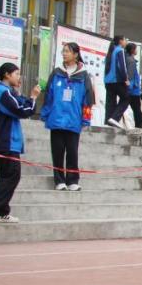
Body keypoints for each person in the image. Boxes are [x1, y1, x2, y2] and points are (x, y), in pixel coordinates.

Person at [0, 63, 40, 223]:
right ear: (7, 75)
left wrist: (25, 97)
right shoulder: (3, 92)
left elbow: (20, 102)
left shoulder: (8, 92)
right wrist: (33, 98)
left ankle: (2, 210)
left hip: (8, 141)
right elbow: (21, 110)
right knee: (12, 175)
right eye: (16, 74)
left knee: (6, 175)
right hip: (4, 141)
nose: (19, 77)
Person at [40, 42, 94, 191]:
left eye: (67, 51)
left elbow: (88, 99)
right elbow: (49, 95)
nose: (64, 54)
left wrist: (86, 118)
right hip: (57, 118)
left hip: (73, 119)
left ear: (76, 55)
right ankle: (59, 180)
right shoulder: (56, 73)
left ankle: (73, 180)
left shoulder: (83, 75)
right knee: (57, 151)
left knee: (72, 151)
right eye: (63, 51)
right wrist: (45, 114)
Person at [103, 35, 129, 129]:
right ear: (120, 41)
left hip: (108, 81)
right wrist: (126, 78)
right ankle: (114, 118)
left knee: (110, 101)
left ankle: (108, 121)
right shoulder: (119, 50)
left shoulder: (111, 51)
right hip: (117, 80)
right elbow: (122, 66)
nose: (126, 42)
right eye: (125, 40)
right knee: (126, 98)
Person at [125, 42, 142, 128]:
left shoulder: (127, 59)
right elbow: (131, 76)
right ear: (132, 50)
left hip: (132, 89)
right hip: (133, 91)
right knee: (137, 110)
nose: (136, 50)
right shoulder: (131, 61)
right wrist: (130, 88)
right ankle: (138, 126)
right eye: (135, 49)